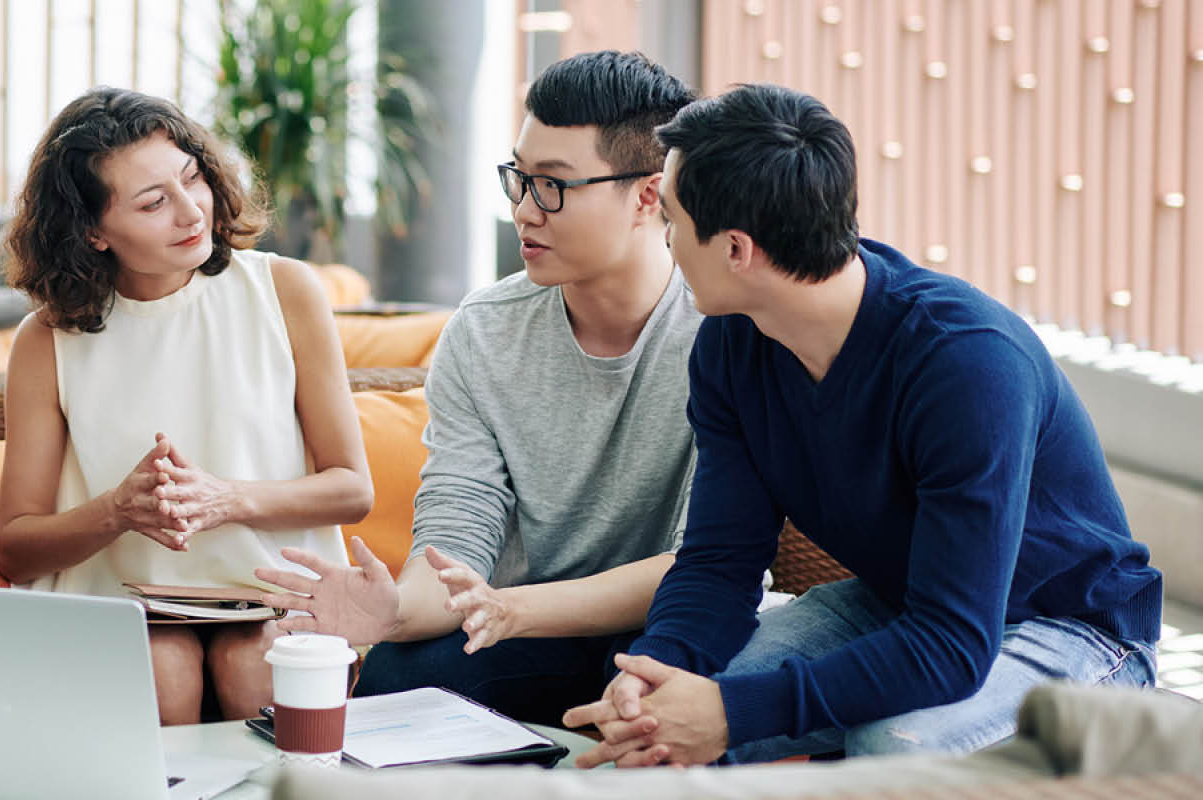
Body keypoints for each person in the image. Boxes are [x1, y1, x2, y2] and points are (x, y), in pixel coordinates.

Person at [564, 83, 1163, 768]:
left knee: (887, 745)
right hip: (903, 606)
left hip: (1070, 630)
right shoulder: (731, 346)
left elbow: (952, 644)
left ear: (735, 248)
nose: (665, 241)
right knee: (655, 734)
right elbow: (719, 561)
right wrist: (654, 671)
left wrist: (734, 714)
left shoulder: (966, 365)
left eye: (670, 219)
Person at [257, 51, 705, 725]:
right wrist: (394, 611)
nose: (524, 211)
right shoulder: (485, 330)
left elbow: (705, 562)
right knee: (396, 680)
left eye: (551, 186)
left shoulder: (720, 328)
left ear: (648, 194)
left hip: (667, 629)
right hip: (521, 632)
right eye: (517, 178)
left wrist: (511, 608)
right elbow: (459, 527)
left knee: (687, 679)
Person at [0, 87, 374, 725]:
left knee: (254, 668)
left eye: (192, 177)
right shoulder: (46, 339)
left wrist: (227, 499)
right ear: (92, 232)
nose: (190, 211)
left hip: (272, 599)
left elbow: (352, 489)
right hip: (120, 605)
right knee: (161, 673)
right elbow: (15, 547)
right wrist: (116, 511)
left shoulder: (284, 291)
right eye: (152, 202)